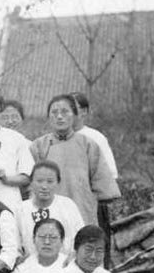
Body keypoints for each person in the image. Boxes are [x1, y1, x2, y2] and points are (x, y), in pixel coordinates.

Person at [29, 94, 119, 227]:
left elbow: (102, 183)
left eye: (65, 111)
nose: (59, 116)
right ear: (48, 117)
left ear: (74, 115)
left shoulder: (88, 144)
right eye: (54, 112)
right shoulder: (38, 146)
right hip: (48, 210)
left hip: (82, 208)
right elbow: (29, 183)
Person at [70, 91, 118, 262]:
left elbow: (110, 175)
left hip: (91, 203)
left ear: (84, 112)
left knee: (93, 247)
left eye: (73, 108)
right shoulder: (57, 139)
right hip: (67, 201)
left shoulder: (96, 138)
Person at [15, 161, 84, 258]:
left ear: (58, 183)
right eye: (39, 181)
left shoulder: (68, 205)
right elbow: (15, 244)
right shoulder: (21, 209)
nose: (44, 186)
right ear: (31, 182)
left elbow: (81, 238)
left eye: (50, 181)